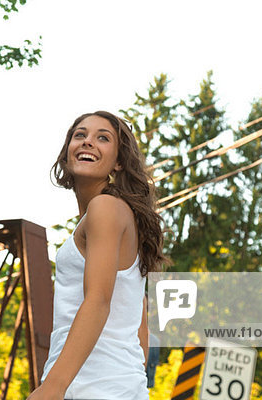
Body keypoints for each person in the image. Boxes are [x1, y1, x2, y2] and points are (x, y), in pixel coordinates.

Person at [28, 111, 167, 400]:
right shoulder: (113, 214)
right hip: (110, 385)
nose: (88, 141)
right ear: (67, 152)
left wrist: (52, 387)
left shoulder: (105, 207)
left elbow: (99, 299)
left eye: (102, 138)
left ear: (118, 161)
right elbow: (138, 315)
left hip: (93, 386)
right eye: (80, 135)